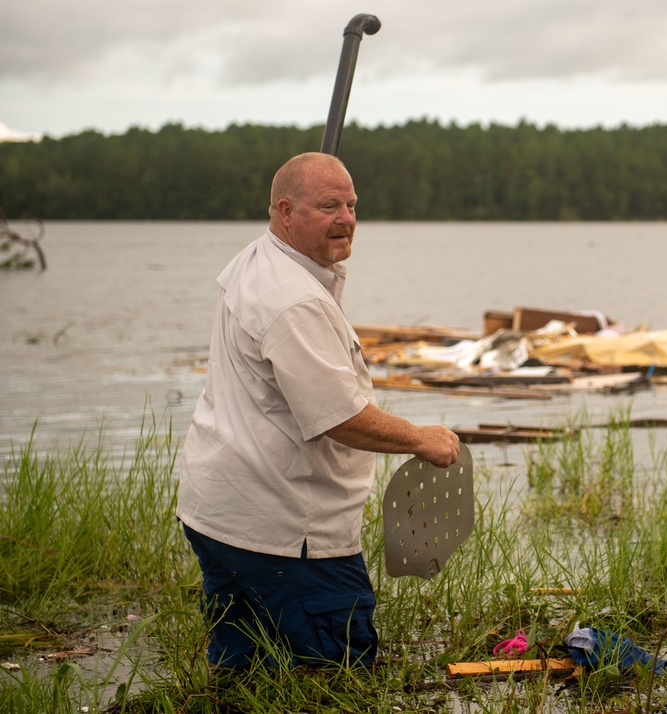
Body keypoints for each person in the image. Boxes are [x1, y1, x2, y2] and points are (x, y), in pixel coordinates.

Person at [176, 152, 461, 670]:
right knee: (338, 672)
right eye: (329, 206)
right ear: (285, 211)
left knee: (245, 673)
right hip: (284, 529)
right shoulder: (293, 301)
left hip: (220, 514)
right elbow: (340, 417)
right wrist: (422, 438)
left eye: (351, 205)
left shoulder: (260, 259)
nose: (347, 218)